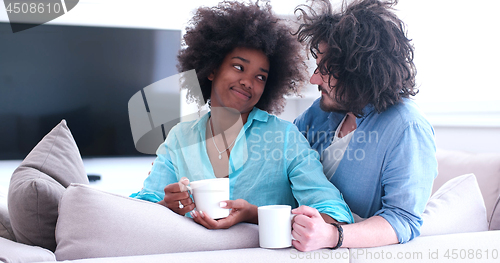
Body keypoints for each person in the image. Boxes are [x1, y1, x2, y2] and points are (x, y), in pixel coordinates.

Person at [131, 0, 353, 233]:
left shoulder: (284, 137)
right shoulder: (179, 139)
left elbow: (335, 213)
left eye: (261, 77)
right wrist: (165, 205)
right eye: (239, 67)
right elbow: (138, 211)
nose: (248, 82)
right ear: (213, 69)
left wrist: (255, 215)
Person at [290, 0, 438, 251]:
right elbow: (283, 159)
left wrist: (332, 235)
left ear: (360, 71)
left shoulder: (407, 127)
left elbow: (403, 219)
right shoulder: (319, 112)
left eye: (326, 70)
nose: (314, 79)